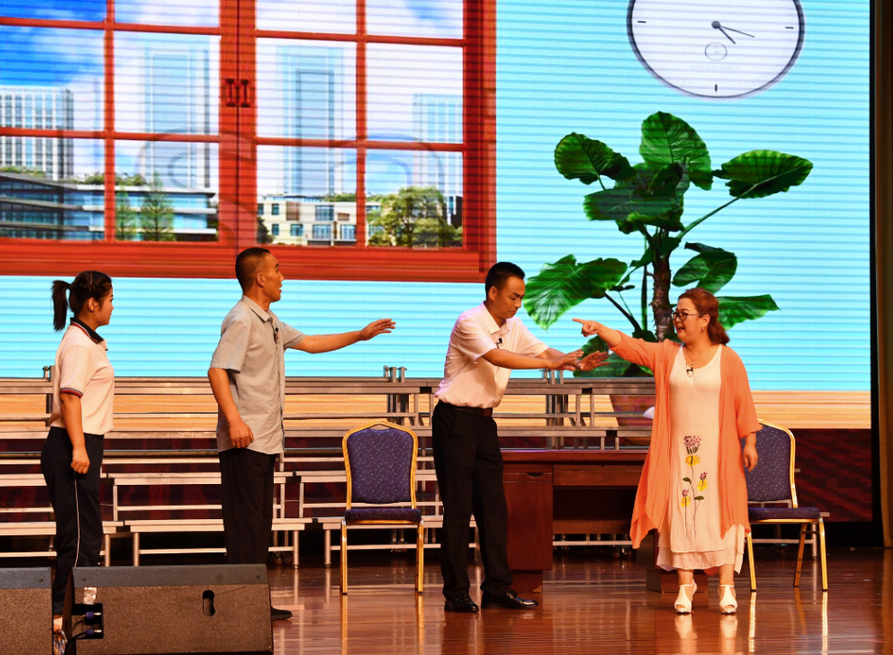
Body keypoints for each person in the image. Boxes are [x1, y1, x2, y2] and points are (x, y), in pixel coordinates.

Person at [208, 247, 395, 621]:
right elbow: (217, 370)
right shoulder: (242, 319)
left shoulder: (269, 321)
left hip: (263, 440)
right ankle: (240, 610)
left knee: (259, 527)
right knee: (245, 528)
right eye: (277, 270)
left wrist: (360, 336)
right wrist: (234, 421)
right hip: (245, 440)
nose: (283, 277)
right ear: (260, 277)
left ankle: (253, 605)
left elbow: (309, 343)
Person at [433, 261, 607, 613]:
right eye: (513, 297)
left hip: (484, 424)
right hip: (455, 421)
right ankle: (456, 594)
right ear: (493, 292)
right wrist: (551, 364)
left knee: (494, 509)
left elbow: (543, 352)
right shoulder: (469, 321)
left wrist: (573, 363)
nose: (518, 304)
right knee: (459, 510)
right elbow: (498, 357)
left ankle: (497, 588)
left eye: (521, 298)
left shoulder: (513, 325)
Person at [575, 287, 760, 615]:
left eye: (683, 314)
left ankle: (727, 586)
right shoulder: (667, 354)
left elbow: (743, 402)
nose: (677, 320)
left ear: (704, 320)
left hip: (719, 454)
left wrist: (750, 443)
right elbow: (632, 346)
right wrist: (600, 328)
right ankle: (685, 585)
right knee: (681, 514)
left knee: (723, 515)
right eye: (676, 313)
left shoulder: (727, 359)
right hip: (677, 453)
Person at [43, 271, 115, 653]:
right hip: (73, 446)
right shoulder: (79, 345)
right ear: (92, 303)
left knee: (89, 537)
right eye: (111, 299)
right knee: (76, 540)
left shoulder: (88, 342)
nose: (113, 306)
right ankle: (60, 622)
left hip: (82, 443)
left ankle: (81, 619)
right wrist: (79, 448)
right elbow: (71, 397)